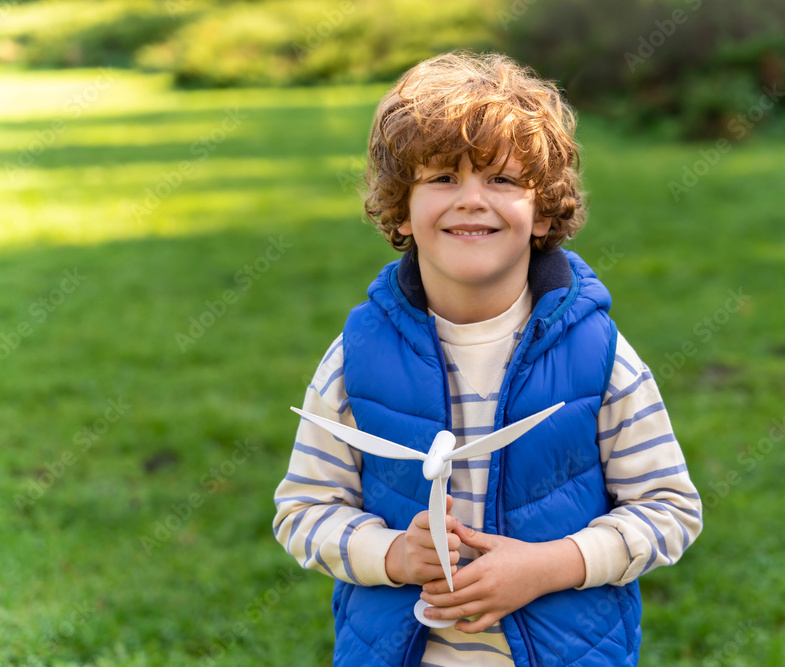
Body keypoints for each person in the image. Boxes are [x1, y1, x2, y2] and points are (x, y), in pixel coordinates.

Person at [273, 51, 702, 667]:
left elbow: (669, 510)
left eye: (500, 179)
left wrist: (549, 565)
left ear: (543, 210)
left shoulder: (598, 354)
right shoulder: (356, 356)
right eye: (442, 178)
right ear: (402, 207)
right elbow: (304, 510)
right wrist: (392, 554)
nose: (471, 200)